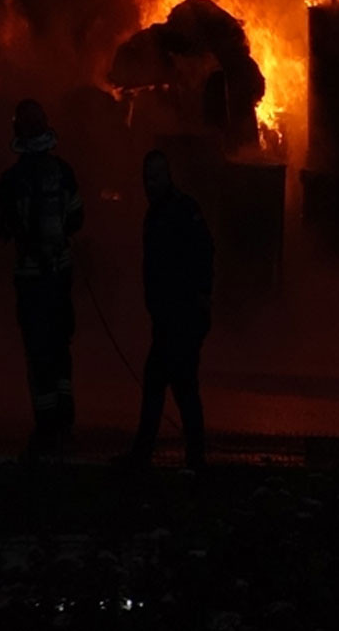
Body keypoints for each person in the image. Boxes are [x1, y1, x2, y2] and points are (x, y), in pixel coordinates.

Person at [0, 99, 85, 459]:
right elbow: (77, 220)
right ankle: (65, 424)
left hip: (32, 283)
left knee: (39, 354)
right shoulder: (64, 172)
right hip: (61, 278)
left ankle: (45, 432)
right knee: (60, 351)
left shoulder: (13, 180)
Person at [120, 150, 213, 469]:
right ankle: (185, 456)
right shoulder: (156, 214)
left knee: (173, 384)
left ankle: (165, 455)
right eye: (147, 178)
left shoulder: (184, 211)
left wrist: (199, 301)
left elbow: (204, 255)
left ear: (168, 176)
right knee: (169, 384)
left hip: (182, 316)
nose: (150, 184)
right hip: (166, 317)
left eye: (156, 177)